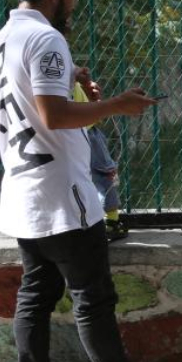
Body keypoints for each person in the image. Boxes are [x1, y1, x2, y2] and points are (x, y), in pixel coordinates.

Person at [0, 0, 182, 362]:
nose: (75, 2)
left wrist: (71, 79)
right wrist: (116, 105)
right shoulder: (46, 38)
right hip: (62, 193)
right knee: (93, 297)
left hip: (25, 194)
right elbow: (53, 115)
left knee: (36, 295)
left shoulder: (1, 40)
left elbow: (30, 101)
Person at [71, 80, 128, 242]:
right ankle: (111, 221)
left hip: (72, 134)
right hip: (87, 131)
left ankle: (89, 221)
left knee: (80, 178)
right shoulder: (63, 71)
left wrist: (85, 89)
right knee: (105, 174)